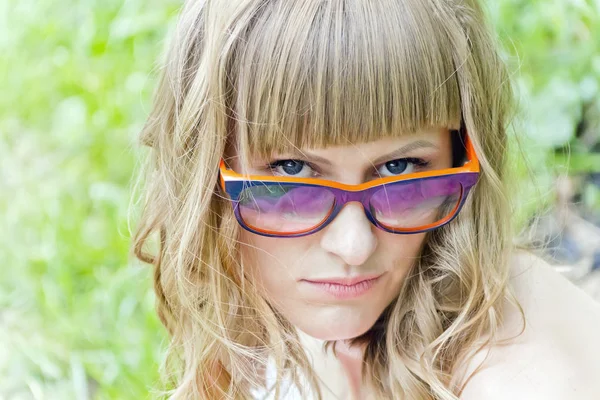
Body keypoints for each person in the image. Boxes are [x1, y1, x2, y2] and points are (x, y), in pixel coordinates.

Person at [131, 0, 600, 398]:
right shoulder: (351, 316)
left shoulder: (519, 380)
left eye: (399, 168)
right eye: (291, 170)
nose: (354, 246)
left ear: (464, 154)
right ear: (203, 172)